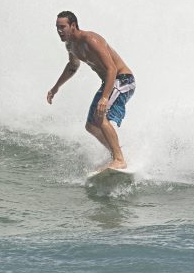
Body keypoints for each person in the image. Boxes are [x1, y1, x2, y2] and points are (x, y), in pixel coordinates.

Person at [47, 11, 136, 170]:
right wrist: (55, 88)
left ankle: (119, 159)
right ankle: (116, 154)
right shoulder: (71, 46)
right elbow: (72, 67)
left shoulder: (91, 39)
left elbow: (112, 68)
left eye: (62, 27)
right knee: (91, 126)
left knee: (100, 116)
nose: (59, 31)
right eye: (57, 28)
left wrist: (104, 98)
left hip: (123, 80)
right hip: (110, 83)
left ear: (73, 26)